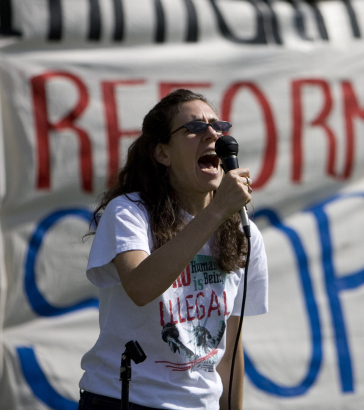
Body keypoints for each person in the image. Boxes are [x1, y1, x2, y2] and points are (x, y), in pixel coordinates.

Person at [78, 89, 268, 410]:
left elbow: (230, 348)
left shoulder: (242, 231)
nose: (212, 134)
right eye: (194, 128)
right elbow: (141, 286)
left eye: (218, 126)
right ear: (163, 154)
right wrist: (216, 211)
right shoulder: (129, 211)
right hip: (124, 400)